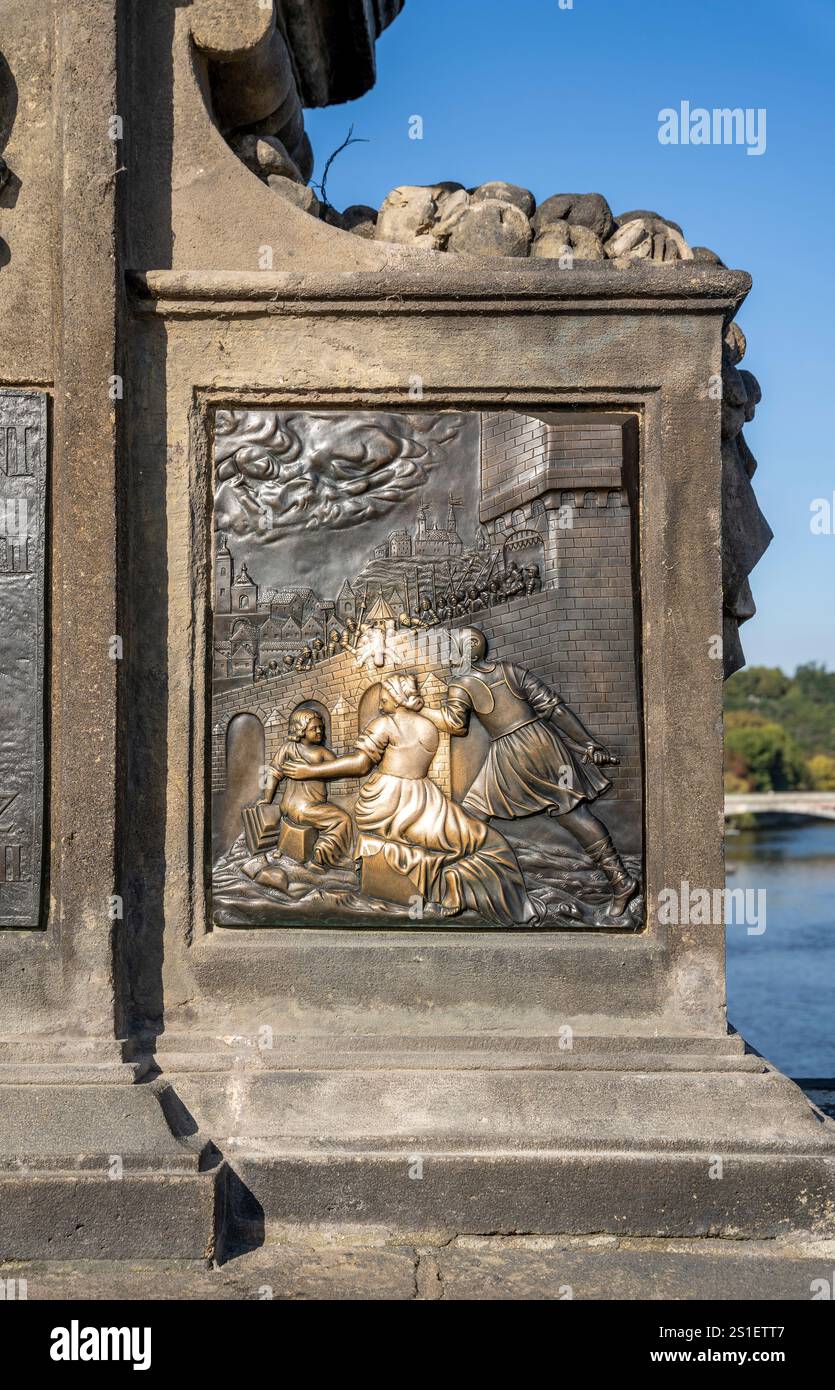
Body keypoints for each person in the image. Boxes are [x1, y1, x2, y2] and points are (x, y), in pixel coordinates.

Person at [282, 673, 539, 926]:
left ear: (396, 699)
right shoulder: (428, 726)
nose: (380, 703)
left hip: (384, 803)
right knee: (487, 841)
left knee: (462, 840)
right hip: (424, 799)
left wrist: (309, 771)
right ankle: (461, 885)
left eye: (384, 698)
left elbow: (360, 765)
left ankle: (450, 884)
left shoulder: (385, 724)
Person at [423, 628, 638, 917]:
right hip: (544, 742)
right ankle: (619, 880)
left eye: (452, 647)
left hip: (512, 754)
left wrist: (420, 708)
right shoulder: (510, 670)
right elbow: (553, 709)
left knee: (471, 817)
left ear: (470, 647)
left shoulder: (462, 684)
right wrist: (587, 741)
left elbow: (455, 724)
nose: (448, 654)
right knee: (573, 814)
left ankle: (460, 891)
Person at [252, 709, 352, 870]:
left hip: (287, 807)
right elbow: (339, 767)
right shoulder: (322, 753)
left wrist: (267, 797)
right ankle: (321, 856)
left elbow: (271, 772)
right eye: (314, 728)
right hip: (307, 809)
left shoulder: (287, 748)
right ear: (301, 730)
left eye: (321, 727)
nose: (319, 731)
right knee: (342, 819)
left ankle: (282, 849)